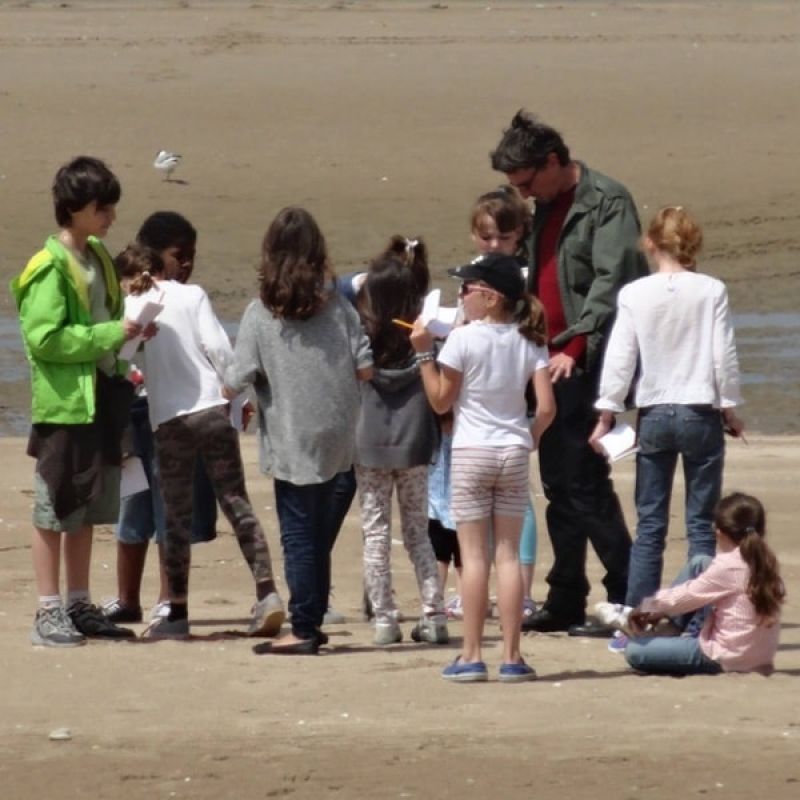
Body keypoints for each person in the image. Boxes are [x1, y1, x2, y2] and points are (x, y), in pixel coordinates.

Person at [490, 110, 648, 635]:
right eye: (516, 185)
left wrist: (575, 348)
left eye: (528, 182)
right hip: (547, 355)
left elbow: (613, 283)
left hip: (589, 358)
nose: (524, 193)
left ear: (554, 161)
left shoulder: (607, 202)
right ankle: (565, 595)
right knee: (558, 480)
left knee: (582, 480)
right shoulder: (543, 206)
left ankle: (629, 592)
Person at [10, 155, 152, 646]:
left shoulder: (95, 258)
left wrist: (130, 334)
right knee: (54, 506)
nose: (111, 218)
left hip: (100, 397)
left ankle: (78, 602)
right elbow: (45, 338)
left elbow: (102, 324)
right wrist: (113, 332)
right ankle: (48, 609)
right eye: (103, 208)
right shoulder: (48, 265)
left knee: (88, 506)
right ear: (78, 208)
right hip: (64, 403)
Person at [590, 206, 745, 651]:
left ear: (650, 244)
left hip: (656, 412)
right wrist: (729, 407)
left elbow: (621, 357)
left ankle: (638, 620)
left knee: (651, 525)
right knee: (701, 526)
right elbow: (723, 355)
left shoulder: (636, 293)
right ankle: (693, 622)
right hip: (699, 411)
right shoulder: (711, 289)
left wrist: (607, 410)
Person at [224, 207, 373, 656]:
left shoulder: (260, 314)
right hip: (340, 435)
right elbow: (365, 368)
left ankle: (305, 626)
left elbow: (235, 378)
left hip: (293, 437)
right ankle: (312, 616)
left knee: (299, 535)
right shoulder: (340, 308)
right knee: (315, 532)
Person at [115, 243, 284, 640]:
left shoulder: (129, 307)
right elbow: (220, 348)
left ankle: (177, 611)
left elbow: (120, 361)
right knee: (236, 503)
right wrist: (237, 397)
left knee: (175, 518)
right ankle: (268, 593)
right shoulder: (192, 294)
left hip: (169, 422)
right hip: (212, 411)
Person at [411, 252, 556, 682]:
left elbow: (441, 400)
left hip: (472, 450)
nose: (461, 297)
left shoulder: (463, 339)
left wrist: (423, 356)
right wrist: (529, 438)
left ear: (490, 297)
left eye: (467, 290)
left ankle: (472, 654)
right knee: (507, 556)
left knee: (473, 558)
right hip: (512, 449)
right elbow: (546, 408)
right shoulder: (530, 339)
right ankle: (512, 656)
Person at [103, 211, 219, 625]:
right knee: (133, 506)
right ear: (153, 256)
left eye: (191, 256)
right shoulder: (129, 297)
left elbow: (211, 352)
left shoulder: (190, 299)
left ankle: (170, 598)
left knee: (174, 506)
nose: (186, 264)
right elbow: (114, 353)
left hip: (177, 413)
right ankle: (126, 598)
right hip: (135, 410)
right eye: (178, 255)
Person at [354, 235, 447, 646]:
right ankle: (434, 614)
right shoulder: (425, 341)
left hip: (369, 446)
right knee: (417, 533)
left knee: (375, 534)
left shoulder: (360, 339)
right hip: (414, 447)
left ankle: (385, 620)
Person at [470, 185, 541, 620]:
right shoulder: (471, 274)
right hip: (477, 399)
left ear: (519, 237)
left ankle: (523, 592)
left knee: (519, 501)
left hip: (517, 397)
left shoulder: (523, 277)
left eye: (504, 238)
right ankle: (472, 591)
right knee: (472, 506)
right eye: (487, 237)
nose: (495, 246)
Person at [621, 493, 783, 676]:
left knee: (634, 650)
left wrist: (646, 606)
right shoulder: (766, 561)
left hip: (726, 657)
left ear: (719, 532)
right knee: (701, 561)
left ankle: (674, 634)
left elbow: (685, 597)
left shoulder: (728, 565)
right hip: (760, 656)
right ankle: (672, 629)